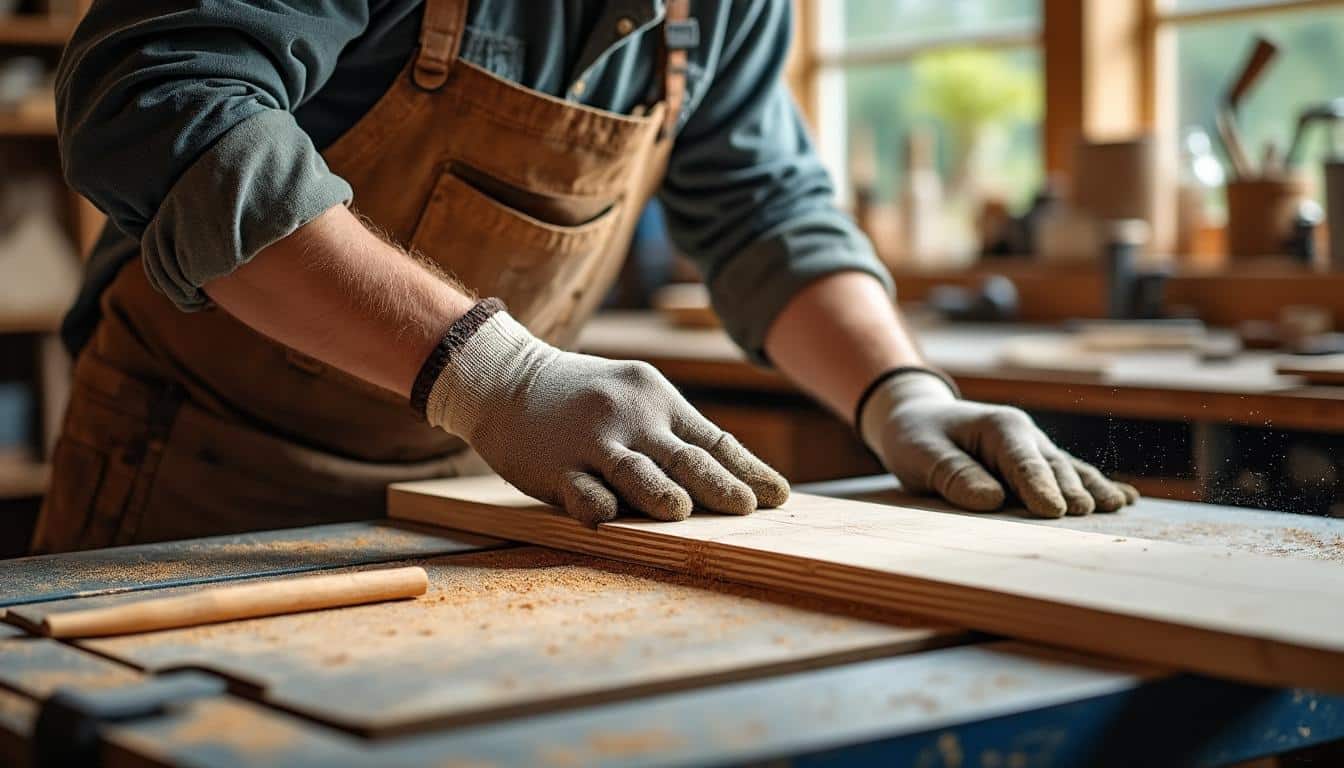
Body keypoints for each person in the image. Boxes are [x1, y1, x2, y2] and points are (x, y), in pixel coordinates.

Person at [33, 0, 1135, 553]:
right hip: (199, 472)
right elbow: (160, 101)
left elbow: (763, 207)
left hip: (477, 487)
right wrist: (497, 377)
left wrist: (900, 394)